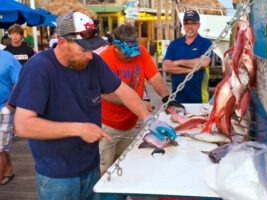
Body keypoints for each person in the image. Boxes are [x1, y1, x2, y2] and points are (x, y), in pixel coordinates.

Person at [8, 11, 174, 200]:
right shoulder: (39, 67)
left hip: (91, 166)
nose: (90, 56)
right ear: (62, 42)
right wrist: (78, 129)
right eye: (84, 50)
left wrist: (148, 119)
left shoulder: (93, 62)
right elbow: (22, 125)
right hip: (57, 175)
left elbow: (123, 91)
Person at [98, 23, 185, 176]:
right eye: (127, 53)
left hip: (131, 123)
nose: (132, 56)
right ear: (115, 48)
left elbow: (155, 77)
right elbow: (104, 93)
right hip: (108, 125)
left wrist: (166, 97)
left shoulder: (142, 52)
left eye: (134, 52)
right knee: (104, 168)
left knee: (125, 164)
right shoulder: (104, 59)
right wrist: (138, 103)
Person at [163, 10, 212, 103]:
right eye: (186, 23)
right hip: (177, 101)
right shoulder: (174, 44)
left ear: (198, 25)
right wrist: (191, 70)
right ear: (183, 25)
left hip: (200, 101)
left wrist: (178, 62)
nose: (190, 27)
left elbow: (203, 62)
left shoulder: (205, 43)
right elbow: (166, 67)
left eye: (193, 23)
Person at [0, 50, 22, 185]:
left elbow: (19, 82)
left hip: (3, 109)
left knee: (0, 148)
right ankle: (8, 170)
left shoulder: (8, 58)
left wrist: (9, 105)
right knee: (2, 145)